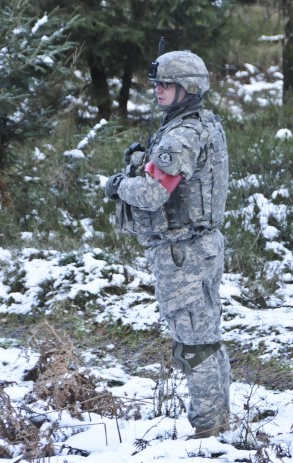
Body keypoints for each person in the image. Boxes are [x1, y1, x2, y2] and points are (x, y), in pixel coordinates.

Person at [105, 50, 230, 438]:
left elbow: (152, 193)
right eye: (157, 84)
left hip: (182, 253)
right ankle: (218, 420)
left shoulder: (181, 135)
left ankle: (209, 428)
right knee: (205, 335)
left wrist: (117, 185)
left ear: (189, 88)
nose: (158, 91)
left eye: (167, 85)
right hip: (199, 245)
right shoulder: (202, 124)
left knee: (195, 342)